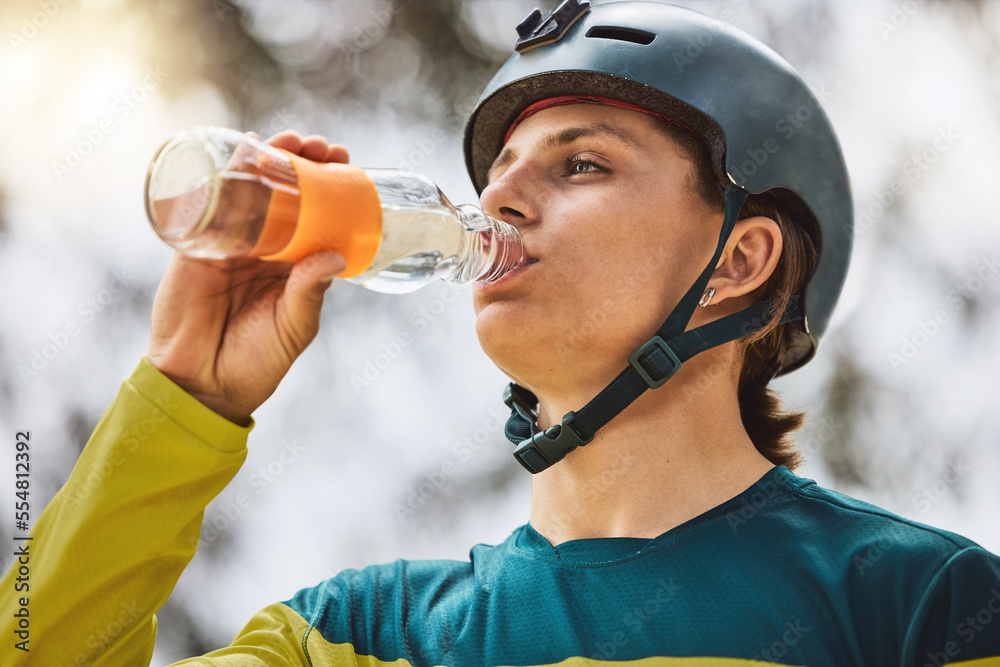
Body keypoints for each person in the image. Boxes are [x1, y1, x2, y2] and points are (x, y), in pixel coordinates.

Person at [2, 1, 999, 665]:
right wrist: (184, 400)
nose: (500, 196)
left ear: (738, 263)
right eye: (499, 169)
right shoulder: (356, 636)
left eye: (581, 165)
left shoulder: (917, 601)